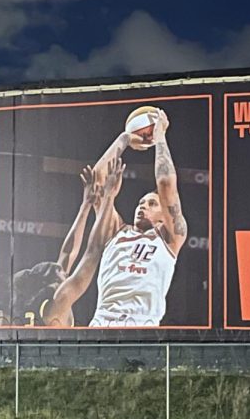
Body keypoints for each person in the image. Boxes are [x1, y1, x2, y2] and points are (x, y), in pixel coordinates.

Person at [78, 108, 187, 327]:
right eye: (140, 203)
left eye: (151, 203)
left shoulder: (170, 238)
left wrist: (160, 137)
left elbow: (166, 184)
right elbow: (97, 182)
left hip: (141, 329)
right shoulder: (116, 230)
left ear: (164, 216)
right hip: (101, 326)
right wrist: (125, 138)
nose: (142, 206)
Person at [9, 166, 100, 326]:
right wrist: (106, 206)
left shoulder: (42, 299)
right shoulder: (55, 306)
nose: (65, 273)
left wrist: (85, 206)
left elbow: (68, 252)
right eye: (62, 274)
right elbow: (90, 256)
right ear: (52, 284)